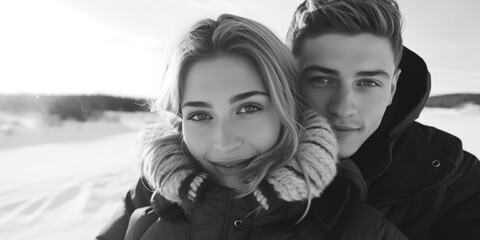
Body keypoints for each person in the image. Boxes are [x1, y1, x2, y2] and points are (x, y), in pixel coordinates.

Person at [100, 13, 372, 240]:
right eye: (199, 115)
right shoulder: (146, 210)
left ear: (287, 109)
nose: (225, 142)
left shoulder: (351, 227)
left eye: (248, 108)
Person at [287, 0, 480, 239]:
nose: (343, 108)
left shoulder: (453, 176)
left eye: (368, 82)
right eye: (322, 80)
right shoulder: (238, 159)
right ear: (289, 79)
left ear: (392, 88)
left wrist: (353, 224)